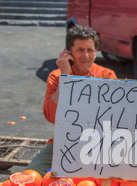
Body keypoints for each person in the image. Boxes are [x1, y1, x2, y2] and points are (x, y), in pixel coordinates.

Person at [26, 25, 117, 176]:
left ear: (96, 51)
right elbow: (51, 116)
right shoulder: (56, 76)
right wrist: (66, 78)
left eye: (90, 50)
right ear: (68, 52)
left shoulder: (107, 75)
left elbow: (115, 117)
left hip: (100, 144)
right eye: (80, 50)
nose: (86, 56)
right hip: (64, 143)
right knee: (29, 176)